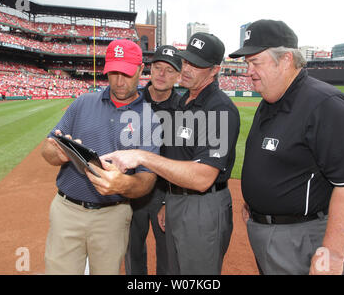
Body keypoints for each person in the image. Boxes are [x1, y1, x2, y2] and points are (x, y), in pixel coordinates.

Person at [229, 19, 344, 275]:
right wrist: (256, 203)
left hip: (303, 238)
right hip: (270, 231)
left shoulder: (325, 104)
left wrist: (331, 257)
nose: (248, 70)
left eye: (255, 62)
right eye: (247, 63)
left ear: (285, 60)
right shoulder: (272, 99)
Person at [99, 33, 241, 275]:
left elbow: (202, 178)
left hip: (200, 205)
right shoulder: (186, 100)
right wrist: (171, 198)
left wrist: (143, 157)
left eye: (196, 65)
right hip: (176, 197)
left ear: (215, 70)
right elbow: (180, 158)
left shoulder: (219, 108)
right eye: (186, 61)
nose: (186, 69)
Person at [41, 39, 159, 275]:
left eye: (125, 73)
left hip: (112, 215)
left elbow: (147, 180)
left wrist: (123, 184)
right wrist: (58, 153)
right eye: (113, 72)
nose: (118, 80)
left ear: (139, 70)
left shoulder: (150, 119)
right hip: (67, 210)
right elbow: (47, 147)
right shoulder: (83, 102)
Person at [124, 45, 182, 275]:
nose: (162, 74)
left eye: (169, 70)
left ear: (178, 76)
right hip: (133, 188)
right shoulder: (131, 100)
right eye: (158, 67)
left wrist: (169, 200)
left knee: (167, 256)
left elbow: (183, 159)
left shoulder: (184, 109)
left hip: (164, 192)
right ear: (149, 69)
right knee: (132, 252)